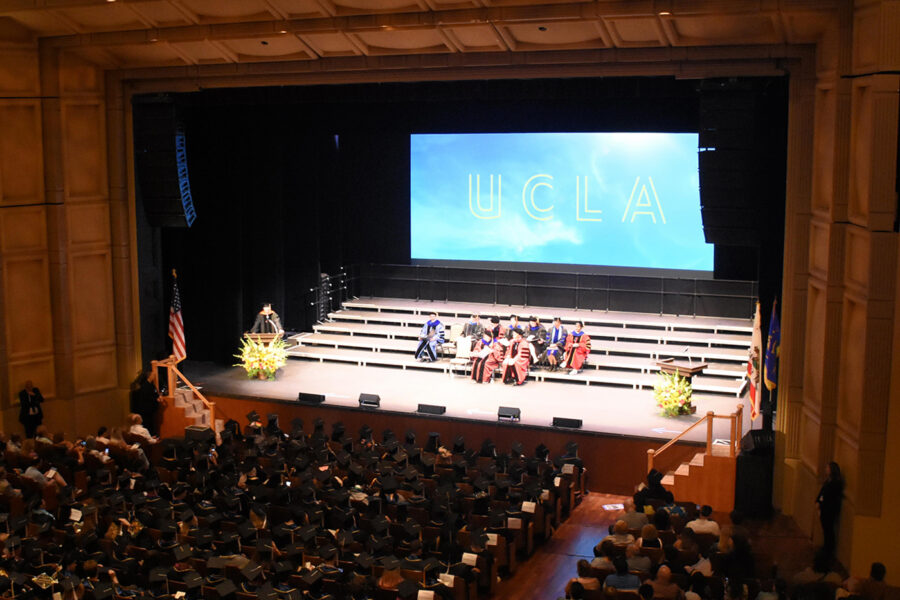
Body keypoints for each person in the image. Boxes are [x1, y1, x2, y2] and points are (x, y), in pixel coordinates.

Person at [816, 461, 843, 560]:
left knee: (828, 531)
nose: (826, 469)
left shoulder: (835, 483)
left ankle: (828, 549)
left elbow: (829, 497)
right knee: (826, 530)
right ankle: (826, 548)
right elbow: (822, 492)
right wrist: (818, 501)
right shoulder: (828, 481)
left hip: (829, 510)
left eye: (827, 468)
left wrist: (820, 502)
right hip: (824, 509)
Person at [130, 368, 161, 436]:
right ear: (149, 376)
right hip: (145, 409)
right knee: (148, 424)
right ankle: (150, 436)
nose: (154, 376)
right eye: (153, 375)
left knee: (149, 423)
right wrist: (156, 399)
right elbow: (147, 398)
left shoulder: (148, 385)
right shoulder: (145, 386)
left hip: (147, 409)